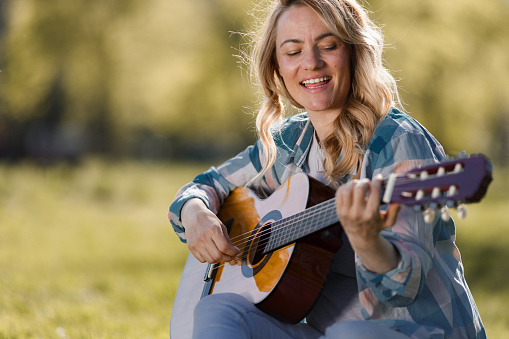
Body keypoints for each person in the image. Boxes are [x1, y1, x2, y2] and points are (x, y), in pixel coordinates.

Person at [168, 0, 486, 338]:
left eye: (328, 45)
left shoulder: (397, 140)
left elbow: (402, 286)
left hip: (417, 330)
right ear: (276, 66)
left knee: (349, 334)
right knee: (218, 310)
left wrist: (367, 240)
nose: (311, 63)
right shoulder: (290, 142)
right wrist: (195, 212)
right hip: (329, 333)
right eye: (293, 52)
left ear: (353, 52)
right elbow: (204, 186)